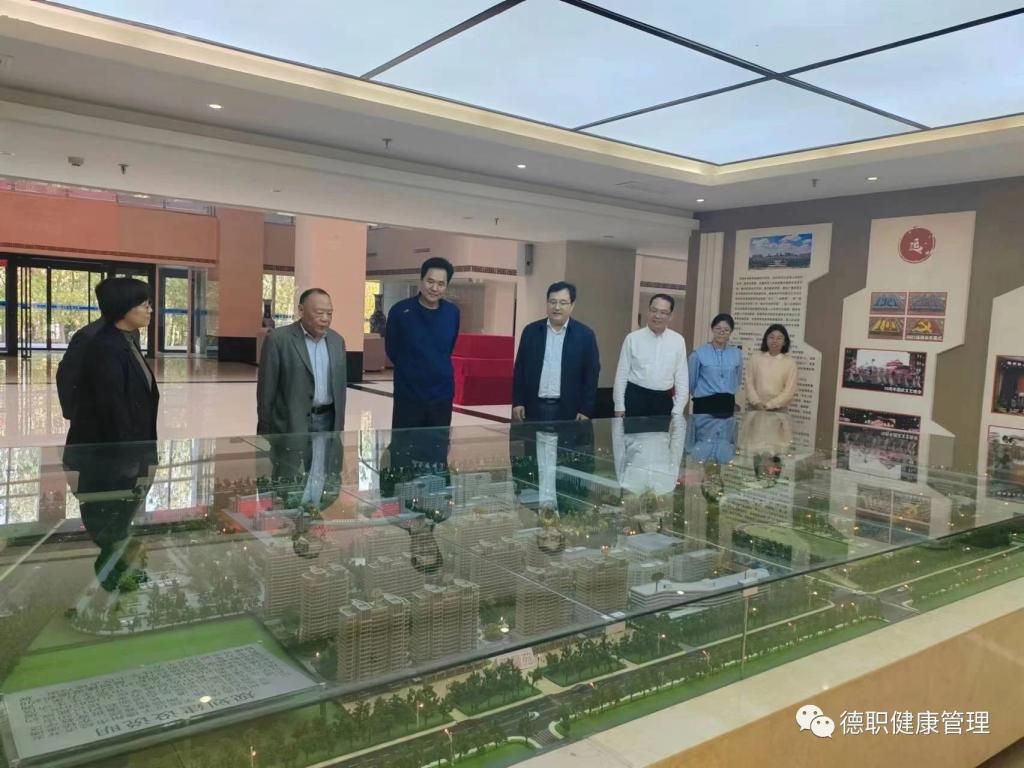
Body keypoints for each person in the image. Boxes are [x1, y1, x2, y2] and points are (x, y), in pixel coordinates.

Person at [66, 277, 159, 449]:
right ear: (124, 307)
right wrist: (127, 455)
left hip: (132, 445)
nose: (150, 310)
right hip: (112, 453)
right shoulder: (105, 348)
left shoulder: (127, 338)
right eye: (145, 305)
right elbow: (111, 410)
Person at [257, 288, 347, 435]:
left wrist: (339, 428)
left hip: (328, 423)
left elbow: (340, 391)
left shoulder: (337, 341)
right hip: (290, 424)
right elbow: (266, 391)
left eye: (329, 313)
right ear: (301, 310)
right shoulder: (278, 339)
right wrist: (265, 432)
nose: (325, 318)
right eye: (319, 313)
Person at [385, 257, 460, 429]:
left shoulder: (452, 313)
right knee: (405, 443)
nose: (434, 288)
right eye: (430, 281)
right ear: (421, 280)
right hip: (408, 395)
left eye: (441, 284)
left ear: (446, 286)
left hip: (441, 396)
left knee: (437, 443)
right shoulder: (400, 311)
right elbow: (392, 350)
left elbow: (448, 347)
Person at [512, 281, 600, 423]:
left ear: (572, 305)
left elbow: (591, 374)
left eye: (563, 303)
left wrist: (586, 409)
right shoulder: (531, 331)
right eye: (552, 302)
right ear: (547, 303)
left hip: (569, 410)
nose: (557, 307)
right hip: (533, 407)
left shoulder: (585, 335)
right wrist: (518, 401)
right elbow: (520, 369)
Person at [55, 278, 140, 421]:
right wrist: (74, 413)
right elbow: (66, 376)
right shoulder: (88, 336)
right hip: (96, 418)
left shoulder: (133, 332)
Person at [613, 294, 688, 419]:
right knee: (632, 432)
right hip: (635, 398)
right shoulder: (633, 338)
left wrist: (678, 410)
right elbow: (621, 374)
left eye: (663, 312)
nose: (657, 316)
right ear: (648, 311)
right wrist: (619, 405)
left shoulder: (678, 341)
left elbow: (682, 377)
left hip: (663, 401)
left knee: (661, 432)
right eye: (654, 310)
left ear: (670, 316)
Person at [688, 313, 743, 415]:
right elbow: (691, 382)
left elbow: (737, 379)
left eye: (726, 330)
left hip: (727, 402)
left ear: (731, 332)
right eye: (718, 328)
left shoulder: (736, 354)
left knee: (727, 426)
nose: (722, 332)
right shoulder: (698, 354)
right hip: (704, 402)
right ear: (712, 329)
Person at [746, 324, 798, 411]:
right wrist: (756, 402)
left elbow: (789, 390)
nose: (775, 341)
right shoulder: (755, 358)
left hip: (779, 409)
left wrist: (771, 405)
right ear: (766, 339)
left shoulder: (790, 363)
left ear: (784, 342)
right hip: (755, 407)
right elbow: (749, 383)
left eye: (779, 338)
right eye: (771, 337)